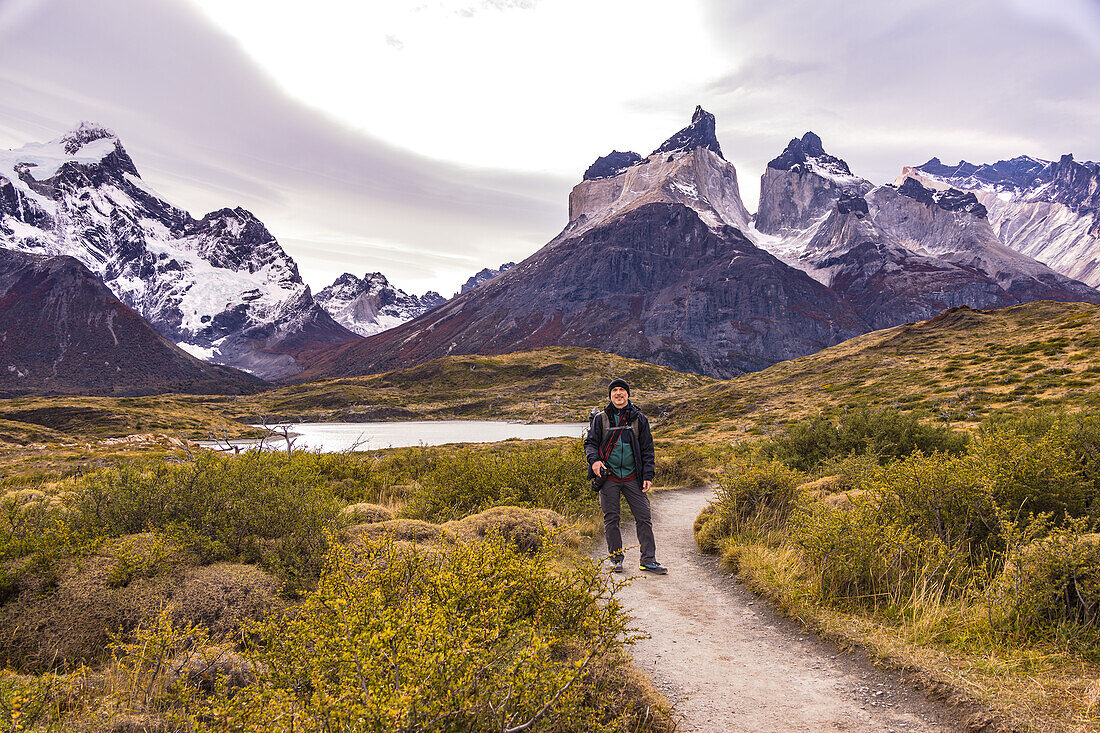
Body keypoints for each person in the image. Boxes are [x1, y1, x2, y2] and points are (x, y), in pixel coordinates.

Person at [584, 378, 667, 574]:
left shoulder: (639, 419)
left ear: (628, 394)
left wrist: (648, 475)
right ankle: (616, 559)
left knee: (644, 517)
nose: (618, 393)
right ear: (610, 395)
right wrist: (595, 461)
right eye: (615, 391)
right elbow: (590, 444)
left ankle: (648, 560)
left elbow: (648, 449)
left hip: (632, 477)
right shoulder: (601, 419)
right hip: (609, 477)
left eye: (622, 390)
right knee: (611, 518)